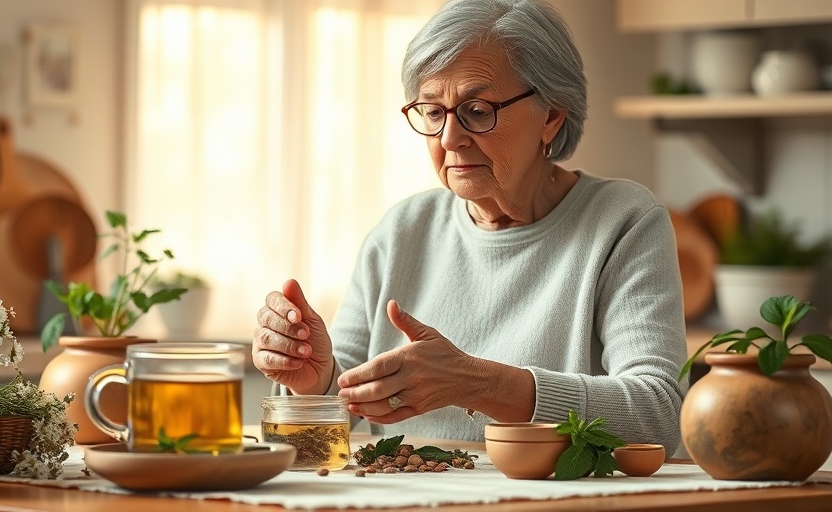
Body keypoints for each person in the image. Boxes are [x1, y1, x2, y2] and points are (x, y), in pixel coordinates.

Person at [252, 0, 687, 453]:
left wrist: (478, 384)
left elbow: (657, 414)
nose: (448, 138)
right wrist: (314, 379)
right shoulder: (401, 230)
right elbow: (340, 418)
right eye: (433, 112)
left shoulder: (623, 221)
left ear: (551, 116)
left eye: (477, 111)